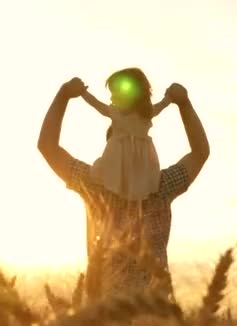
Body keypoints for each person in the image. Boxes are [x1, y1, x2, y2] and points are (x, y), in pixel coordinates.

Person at [37, 69, 210, 299]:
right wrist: (183, 104)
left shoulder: (94, 187)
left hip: (112, 313)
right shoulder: (160, 188)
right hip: (147, 312)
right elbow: (200, 152)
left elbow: (48, 146)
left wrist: (64, 95)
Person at [80, 68, 171, 202]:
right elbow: (96, 104)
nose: (112, 98)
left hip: (140, 160)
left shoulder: (145, 114)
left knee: (138, 185)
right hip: (116, 156)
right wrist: (83, 93)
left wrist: (170, 98)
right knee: (110, 177)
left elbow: (163, 105)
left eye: (115, 93)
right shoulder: (116, 112)